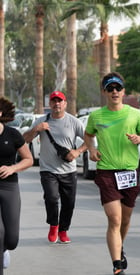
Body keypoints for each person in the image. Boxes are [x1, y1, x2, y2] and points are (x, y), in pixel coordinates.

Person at [83, 72, 140, 275]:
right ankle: (117, 266)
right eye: (110, 88)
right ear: (104, 91)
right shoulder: (96, 116)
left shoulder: (135, 114)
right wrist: (92, 149)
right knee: (114, 219)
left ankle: (119, 247)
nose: (114, 91)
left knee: (125, 219)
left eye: (118, 88)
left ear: (123, 91)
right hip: (106, 172)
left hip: (130, 172)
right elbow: (88, 135)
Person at [23, 91, 87, 244]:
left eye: (60, 101)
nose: (57, 104)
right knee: (51, 198)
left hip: (69, 170)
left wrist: (77, 151)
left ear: (65, 104)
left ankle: (63, 230)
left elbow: (89, 141)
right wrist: (36, 129)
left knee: (69, 203)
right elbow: (25, 139)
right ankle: (53, 225)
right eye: (54, 101)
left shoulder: (74, 122)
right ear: (49, 104)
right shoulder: (41, 121)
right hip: (48, 170)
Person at [0, 97, 33, 272]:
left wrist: (13, 168)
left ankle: (5, 250)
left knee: (11, 239)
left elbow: (28, 159)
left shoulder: (12, 134)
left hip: (9, 187)